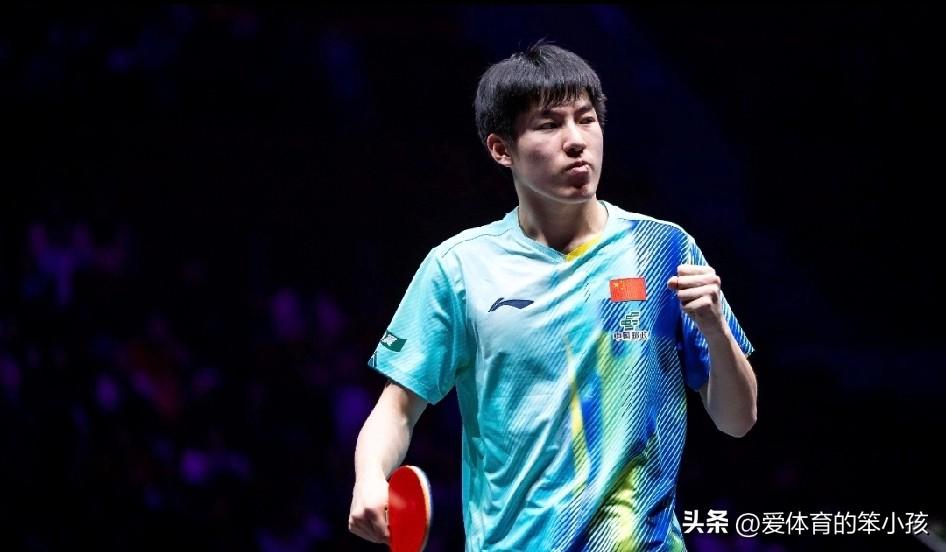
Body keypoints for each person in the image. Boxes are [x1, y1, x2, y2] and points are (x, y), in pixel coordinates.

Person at [348, 40, 757, 551]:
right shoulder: (460, 267)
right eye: (548, 125)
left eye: (586, 120)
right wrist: (370, 477)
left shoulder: (663, 249)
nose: (576, 140)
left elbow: (738, 421)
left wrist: (716, 331)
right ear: (501, 149)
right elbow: (397, 410)